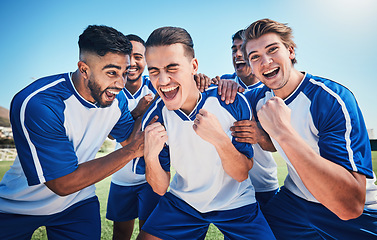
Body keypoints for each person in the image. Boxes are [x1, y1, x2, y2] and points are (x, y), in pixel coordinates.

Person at [0, 25, 147, 240]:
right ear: (84, 69)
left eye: (124, 73)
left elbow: (130, 138)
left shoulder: (118, 99)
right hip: (18, 206)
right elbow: (63, 182)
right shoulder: (39, 103)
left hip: (77, 203)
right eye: (112, 73)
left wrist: (166, 101)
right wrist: (131, 151)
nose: (120, 83)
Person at [240, 18, 377, 239]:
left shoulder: (330, 99)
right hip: (294, 202)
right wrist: (209, 83)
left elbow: (350, 206)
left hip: (355, 212)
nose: (265, 61)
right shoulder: (256, 99)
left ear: (290, 51)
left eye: (272, 50)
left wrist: (282, 132)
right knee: (249, 232)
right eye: (255, 57)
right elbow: (220, 101)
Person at [136, 26, 275, 240]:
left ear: (194, 66)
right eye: (154, 71)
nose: (162, 81)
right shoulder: (155, 118)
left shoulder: (232, 101)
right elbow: (160, 188)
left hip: (236, 203)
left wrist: (219, 139)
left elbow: (241, 173)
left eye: (172, 68)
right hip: (183, 203)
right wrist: (151, 156)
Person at [215, 29, 279, 210]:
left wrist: (260, 136)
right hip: (231, 186)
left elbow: (280, 144)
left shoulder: (273, 89)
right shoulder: (221, 85)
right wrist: (199, 80)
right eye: (233, 49)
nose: (237, 54)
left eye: (242, 49)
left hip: (263, 184)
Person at [106, 34, 161, 240]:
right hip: (121, 176)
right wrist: (138, 112)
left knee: (148, 230)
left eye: (138, 56)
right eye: (127, 55)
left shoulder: (156, 85)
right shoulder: (111, 90)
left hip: (151, 176)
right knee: (120, 233)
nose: (132, 62)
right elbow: (114, 134)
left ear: (146, 60)